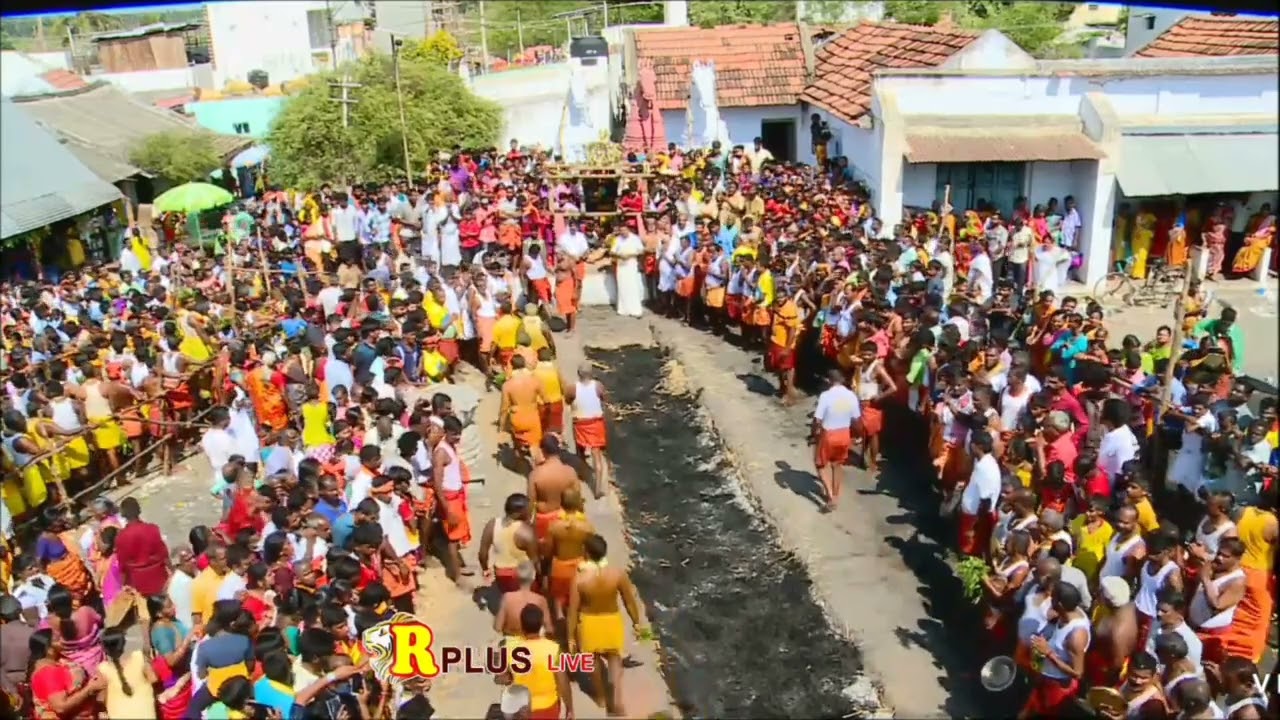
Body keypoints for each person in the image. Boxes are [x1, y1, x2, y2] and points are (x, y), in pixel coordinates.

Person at [568, 534, 645, 716]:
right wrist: (637, 622)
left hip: (589, 622)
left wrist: (570, 637)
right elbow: (629, 601)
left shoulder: (579, 579)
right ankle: (617, 700)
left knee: (592, 661)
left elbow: (572, 611)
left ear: (586, 553)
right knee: (614, 659)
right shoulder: (617, 574)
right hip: (611, 619)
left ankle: (601, 697)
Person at [508, 604, 574, 720]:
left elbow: (505, 678)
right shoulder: (553, 649)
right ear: (541, 626)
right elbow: (563, 682)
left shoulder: (511, 650)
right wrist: (570, 708)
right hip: (548, 707)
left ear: (522, 626)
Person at [29, 627, 107, 720]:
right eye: (58, 640)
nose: (63, 641)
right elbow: (60, 707)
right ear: (49, 649)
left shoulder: (60, 663)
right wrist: (89, 689)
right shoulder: (48, 673)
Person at [811, 369, 860, 512]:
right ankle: (836, 495)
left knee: (819, 464)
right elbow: (856, 419)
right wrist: (857, 436)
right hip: (844, 433)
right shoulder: (851, 396)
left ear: (828, 381)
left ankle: (830, 496)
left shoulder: (826, 396)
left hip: (829, 434)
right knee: (837, 465)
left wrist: (814, 433)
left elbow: (817, 419)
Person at [545, 488, 592, 620]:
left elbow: (548, 550)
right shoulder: (587, 527)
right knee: (579, 600)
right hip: (579, 566)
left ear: (562, 504)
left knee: (558, 601)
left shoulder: (554, 526)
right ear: (578, 503)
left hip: (560, 566)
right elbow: (591, 550)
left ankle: (560, 623)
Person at [565, 363, 609, 499]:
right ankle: (598, 488)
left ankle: (581, 474)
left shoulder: (572, 388)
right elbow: (605, 398)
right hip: (596, 422)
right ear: (591, 374)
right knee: (597, 455)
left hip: (581, 423)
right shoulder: (598, 386)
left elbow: (567, 400)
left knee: (580, 449)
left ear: (579, 374)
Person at [478, 493, 537, 593]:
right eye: (528, 510)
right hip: (521, 574)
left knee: (507, 597)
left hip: (501, 573)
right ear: (519, 513)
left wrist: (485, 569)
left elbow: (482, 554)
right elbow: (534, 559)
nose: (530, 513)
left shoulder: (492, 524)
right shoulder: (525, 531)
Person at [99, 626, 158, 720]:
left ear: (104, 648)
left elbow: (101, 698)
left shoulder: (103, 669)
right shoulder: (139, 658)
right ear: (124, 643)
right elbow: (154, 679)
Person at [610, 224, 645, 318]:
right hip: (621, 265)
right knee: (622, 287)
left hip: (631, 264)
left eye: (624, 230)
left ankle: (635, 310)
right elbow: (612, 251)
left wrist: (630, 255)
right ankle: (623, 309)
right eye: (621, 231)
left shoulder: (635, 238)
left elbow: (641, 251)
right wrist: (620, 256)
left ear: (628, 230)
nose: (623, 232)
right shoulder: (617, 239)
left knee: (633, 287)